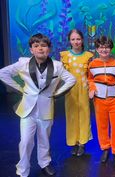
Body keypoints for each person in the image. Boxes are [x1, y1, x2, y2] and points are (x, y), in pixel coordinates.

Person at [0, 33, 76, 177]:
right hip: (27, 109)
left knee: (44, 139)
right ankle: (23, 170)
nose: (40, 49)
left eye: (43, 46)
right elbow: (3, 73)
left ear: (49, 48)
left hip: (46, 108)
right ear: (31, 50)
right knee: (26, 141)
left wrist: (56, 93)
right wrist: (19, 88)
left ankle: (44, 163)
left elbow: (71, 80)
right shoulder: (23, 63)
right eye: (36, 46)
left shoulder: (57, 66)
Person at [88, 36, 115, 166]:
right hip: (99, 100)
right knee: (102, 125)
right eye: (101, 47)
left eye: (107, 47)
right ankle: (105, 148)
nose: (104, 49)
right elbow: (90, 79)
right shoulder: (92, 65)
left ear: (110, 48)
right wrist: (92, 89)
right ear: (97, 49)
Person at [60, 29, 93, 156]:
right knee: (71, 115)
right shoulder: (64, 55)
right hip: (70, 90)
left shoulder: (88, 56)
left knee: (84, 115)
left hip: (84, 90)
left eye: (78, 39)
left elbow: (91, 76)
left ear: (82, 40)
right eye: (73, 39)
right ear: (69, 41)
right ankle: (73, 142)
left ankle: (82, 143)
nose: (76, 42)